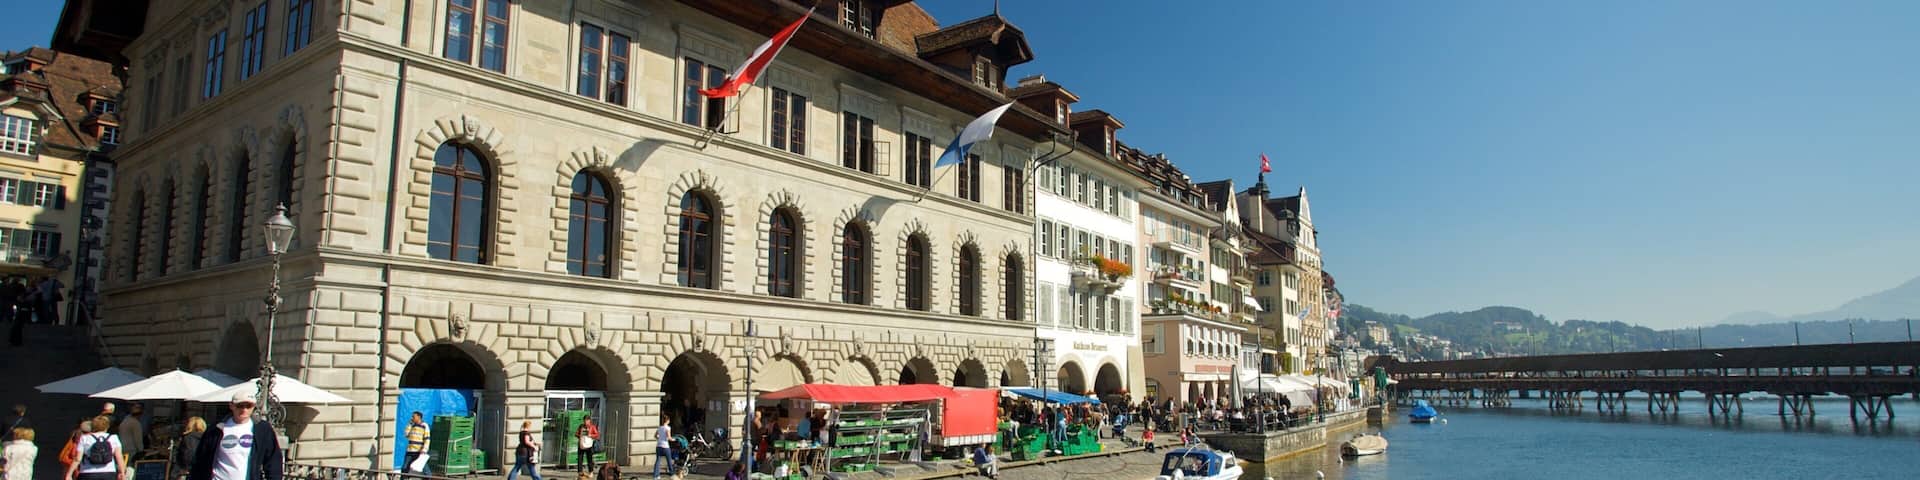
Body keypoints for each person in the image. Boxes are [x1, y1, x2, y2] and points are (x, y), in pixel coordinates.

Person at [187, 391, 282, 480]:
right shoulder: (216, 429)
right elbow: (200, 460)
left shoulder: (262, 429)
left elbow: (273, 461)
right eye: (240, 406)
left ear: (253, 407)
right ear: (231, 406)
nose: (244, 410)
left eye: (248, 406)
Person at [64, 416, 121, 480]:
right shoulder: (114, 438)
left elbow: (78, 459)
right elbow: (119, 458)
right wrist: (122, 473)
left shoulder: (85, 438)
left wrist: (69, 474)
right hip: (109, 473)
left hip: (87, 473)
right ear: (107, 426)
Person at [650, 414, 673, 479]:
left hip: (659, 446)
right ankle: (672, 474)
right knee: (669, 461)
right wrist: (673, 439)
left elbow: (655, 435)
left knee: (658, 461)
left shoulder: (659, 427)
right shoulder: (668, 428)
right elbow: (669, 437)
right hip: (665, 446)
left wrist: (659, 439)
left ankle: (656, 475)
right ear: (667, 420)